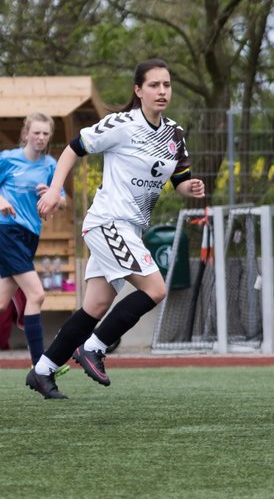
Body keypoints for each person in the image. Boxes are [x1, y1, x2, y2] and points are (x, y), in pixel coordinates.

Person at [27, 59, 205, 399]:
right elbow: (73, 148)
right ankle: (93, 347)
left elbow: (179, 181)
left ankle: (43, 370)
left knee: (95, 306)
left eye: (166, 85)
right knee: (155, 289)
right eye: (154, 85)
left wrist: (189, 188)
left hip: (129, 230)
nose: (162, 91)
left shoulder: (175, 134)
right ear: (138, 91)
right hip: (108, 222)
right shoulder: (122, 125)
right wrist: (53, 190)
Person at [0, 112, 65, 367]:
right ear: (26, 134)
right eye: (36, 132)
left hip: (30, 235)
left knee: (3, 300)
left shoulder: (50, 165)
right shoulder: (8, 159)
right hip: (7, 231)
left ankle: (40, 368)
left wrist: (53, 196)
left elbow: (62, 200)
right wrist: (1, 200)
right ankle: (40, 366)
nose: (40, 137)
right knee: (36, 294)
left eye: (45, 134)